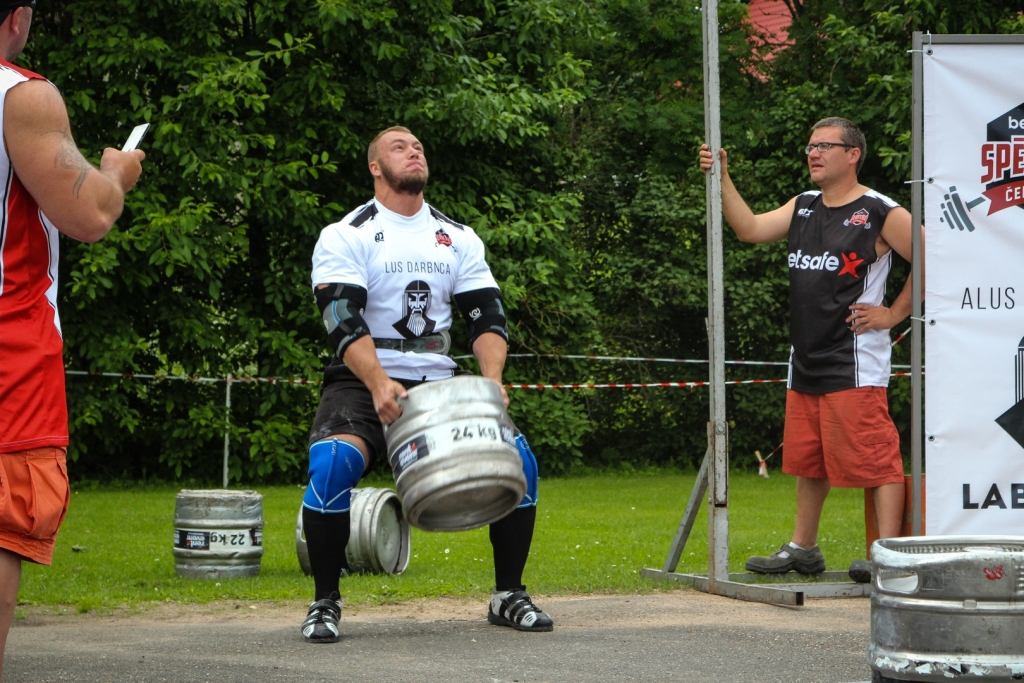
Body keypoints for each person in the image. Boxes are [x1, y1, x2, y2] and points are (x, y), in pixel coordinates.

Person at [300, 126, 552, 643]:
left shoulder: (456, 236)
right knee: (331, 463)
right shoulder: (346, 234)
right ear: (375, 167)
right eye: (399, 147)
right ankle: (325, 602)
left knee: (521, 462)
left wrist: (492, 383)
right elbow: (342, 318)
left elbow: (486, 317)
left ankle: (508, 595)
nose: (413, 151)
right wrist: (378, 382)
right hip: (362, 378)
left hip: (438, 378)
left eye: (417, 146)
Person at [699, 117, 920, 583]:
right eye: (810, 146)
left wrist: (893, 314)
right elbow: (749, 229)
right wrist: (722, 177)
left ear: (853, 154)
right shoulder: (803, 205)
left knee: (876, 460)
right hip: (805, 358)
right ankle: (804, 548)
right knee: (810, 459)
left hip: (855, 360)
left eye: (824, 146)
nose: (813, 154)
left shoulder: (880, 211)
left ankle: (887, 555)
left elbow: (931, 258)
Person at [0, 0, 146, 676]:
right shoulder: (22, 96)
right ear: (17, 18)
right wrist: (116, 173)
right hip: (10, 344)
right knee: (6, 517)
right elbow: (87, 213)